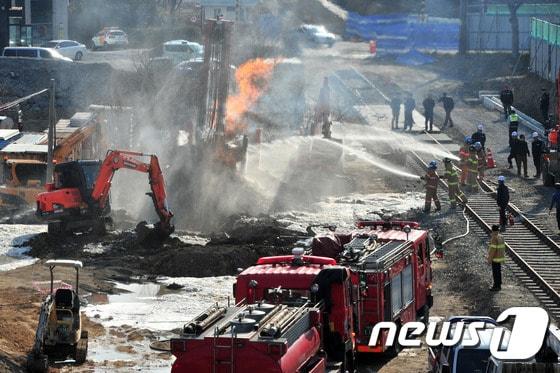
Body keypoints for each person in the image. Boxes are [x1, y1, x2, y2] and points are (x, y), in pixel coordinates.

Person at [487, 224, 505, 291]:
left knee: (495, 272)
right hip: (500, 257)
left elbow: (492, 250)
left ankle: (496, 286)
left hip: (495, 258)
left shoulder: (494, 238)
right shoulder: (501, 236)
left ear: (492, 230)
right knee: (498, 271)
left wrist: (489, 259)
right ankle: (499, 284)